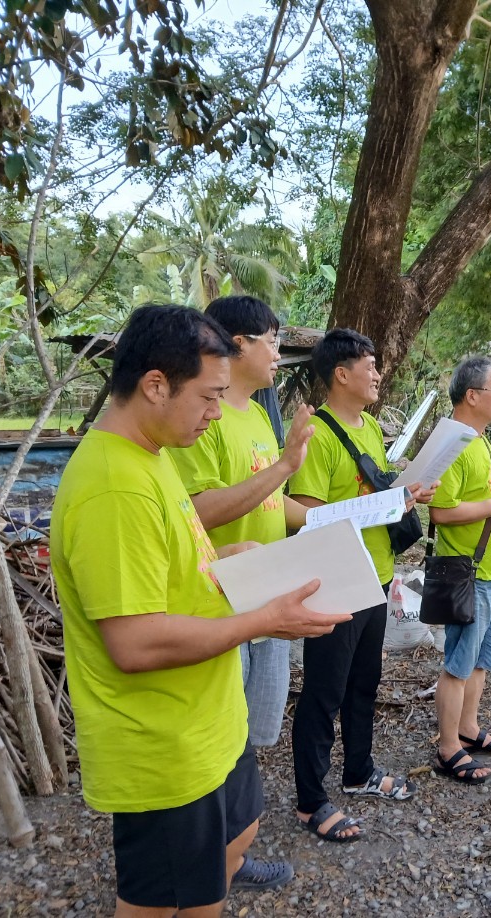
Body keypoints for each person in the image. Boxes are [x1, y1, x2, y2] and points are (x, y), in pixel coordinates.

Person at [50, 305, 350, 916]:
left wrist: (220, 561)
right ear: (155, 385)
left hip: (209, 722)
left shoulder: (152, 453)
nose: (217, 414)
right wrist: (264, 620)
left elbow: (167, 566)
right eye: (210, 397)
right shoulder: (114, 487)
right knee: (169, 902)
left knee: (235, 839)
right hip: (166, 746)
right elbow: (134, 643)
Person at [168, 296, 315, 889]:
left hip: (267, 598)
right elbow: (194, 513)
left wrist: (344, 517)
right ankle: (209, 859)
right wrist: (283, 467)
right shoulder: (200, 420)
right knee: (219, 733)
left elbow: (274, 505)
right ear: (236, 343)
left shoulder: (256, 415)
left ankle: (228, 850)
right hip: (219, 604)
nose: (279, 353)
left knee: (251, 731)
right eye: (272, 340)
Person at [287, 329, 433, 840]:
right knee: (324, 691)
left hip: (377, 572)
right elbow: (305, 513)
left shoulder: (369, 426)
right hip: (336, 578)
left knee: (364, 683)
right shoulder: (318, 436)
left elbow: (379, 492)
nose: (377, 374)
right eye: (369, 366)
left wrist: (405, 496)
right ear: (341, 374)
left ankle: (359, 771)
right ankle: (310, 800)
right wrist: (377, 505)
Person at [429, 356, 491, 783]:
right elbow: (441, 511)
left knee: (482, 659)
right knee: (459, 662)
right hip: (469, 573)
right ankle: (447, 746)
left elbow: (486, 498)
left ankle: (468, 728)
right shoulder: (453, 443)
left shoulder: (482, 441)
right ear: (472, 396)